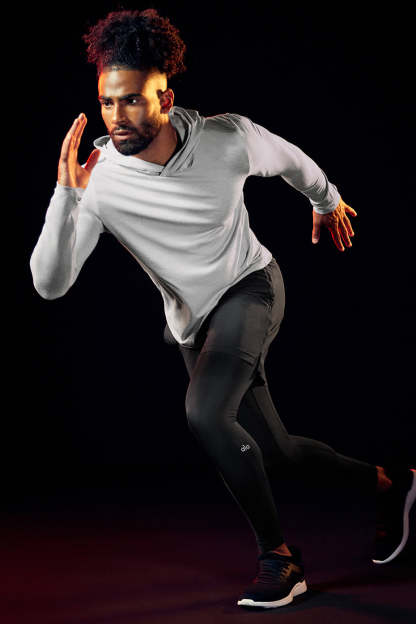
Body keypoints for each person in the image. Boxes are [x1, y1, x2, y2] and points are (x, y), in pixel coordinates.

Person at [29, 8, 415, 610]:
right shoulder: (97, 182)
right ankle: (392, 484)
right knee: (275, 451)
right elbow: (50, 285)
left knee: (206, 414)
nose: (117, 116)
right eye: (107, 102)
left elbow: (291, 160)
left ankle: (279, 559)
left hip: (250, 287)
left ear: (165, 99)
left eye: (132, 101)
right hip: (194, 321)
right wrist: (66, 195)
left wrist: (327, 201)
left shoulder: (225, 138)